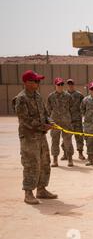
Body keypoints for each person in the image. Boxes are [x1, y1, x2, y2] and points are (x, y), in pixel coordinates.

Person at [15, 70, 57, 205]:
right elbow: (25, 120)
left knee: (45, 162)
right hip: (29, 137)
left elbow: (45, 113)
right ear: (27, 83)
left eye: (39, 81)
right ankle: (28, 193)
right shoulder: (21, 99)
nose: (38, 83)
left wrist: (49, 121)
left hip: (40, 136)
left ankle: (41, 189)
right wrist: (42, 126)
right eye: (36, 81)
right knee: (31, 164)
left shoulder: (37, 96)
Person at [47, 77, 75, 167]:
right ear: (55, 85)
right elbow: (48, 110)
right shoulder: (51, 96)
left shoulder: (68, 96)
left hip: (66, 122)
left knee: (68, 141)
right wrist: (49, 122)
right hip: (55, 123)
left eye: (62, 84)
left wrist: (70, 120)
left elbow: (71, 109)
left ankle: (70, 159)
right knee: (55, 141)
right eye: (58, 84)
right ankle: (55, 160)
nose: (60, 86)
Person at [62, 79, 85, 161]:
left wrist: (81, 115)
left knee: (79, 137)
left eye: (71, 84)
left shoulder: (79, 95)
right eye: (69, 84)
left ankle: (80, 153)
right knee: (66, 138)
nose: (70, 85)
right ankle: (65, 153)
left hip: (77, 120)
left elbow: (83, 106)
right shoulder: (63, 95)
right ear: (67, 85)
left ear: (74, 85)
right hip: (67, 121)